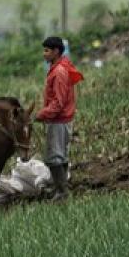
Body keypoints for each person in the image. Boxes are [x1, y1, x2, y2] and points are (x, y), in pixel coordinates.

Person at [35, 35, 83, 200]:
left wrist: (41, 114)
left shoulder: (59, 72)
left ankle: (62, 192)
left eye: (47, 51)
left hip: (58, 121)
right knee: (60, 155)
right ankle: (60, 188)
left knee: (54, 157)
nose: (44, 54)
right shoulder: (59, 68)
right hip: (60, 120)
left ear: (56, 51)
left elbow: (58, 102)